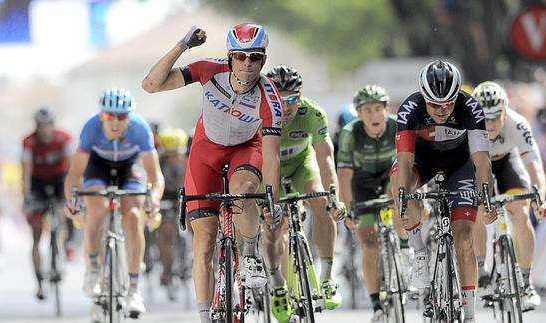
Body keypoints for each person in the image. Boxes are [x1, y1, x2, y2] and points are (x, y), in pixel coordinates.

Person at [142, 23, 282, 323]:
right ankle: (205, 315)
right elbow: (151, 85)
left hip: (246, 148)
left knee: (243, 191)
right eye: (240, 57)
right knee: (204, 240)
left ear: (263, 60)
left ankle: (249, 254)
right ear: (230, 57)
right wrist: (183, 44)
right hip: (205, 152)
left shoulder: (270, 96)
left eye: (255, 57)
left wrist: (272, 201)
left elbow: (270, 156)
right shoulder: (209, 69)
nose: (247, 64)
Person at [390, 60, 496, 323]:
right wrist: (403, 202)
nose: (441, 110)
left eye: (448, 104)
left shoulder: (470, 107)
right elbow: (404, 161)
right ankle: (420, 253)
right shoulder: (410, 109)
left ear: (456, 97)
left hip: (458, 166)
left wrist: (486, 199)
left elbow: (482, 161)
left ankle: (469, 315)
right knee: (399, 184)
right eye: (434, 104)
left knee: (464, 240)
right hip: (421, 161)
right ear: (423, 97)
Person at [64, 88, 165, 318]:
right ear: (102, 116)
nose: (116, 122)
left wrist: (154, 200)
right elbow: (74, 174)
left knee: (133, 213)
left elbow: (155, 175)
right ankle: (92, 268)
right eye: (110, 116)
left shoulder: (140, 128)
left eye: (122, 117)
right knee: (96, 207)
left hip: (129, 168)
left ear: (129, 117)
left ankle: (133, 289)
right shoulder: (91, 128)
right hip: (97, 167)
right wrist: (71, 200)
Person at [263, 65, 345, 322]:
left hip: (301, 165)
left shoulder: (313, 113)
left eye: (292, 99)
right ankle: (277, 282)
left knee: (321, 202)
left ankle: (327, 278)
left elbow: (326, 158)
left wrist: (334, 198)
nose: (286, 107)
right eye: (278, 98)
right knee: (274, 225)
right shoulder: (259, 113)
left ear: (300, 96)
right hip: (269, 168)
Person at [471, 81, 546, 310]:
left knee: (521, 213)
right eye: (485, 118)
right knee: (474, 210)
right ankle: (482, 270)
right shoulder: (467, 129)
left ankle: (526, 282)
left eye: (496, 116)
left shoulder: (518, 124)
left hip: (507, 161)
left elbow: (535, 169)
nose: (491, 123)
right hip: (477, 164)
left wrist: (540, 199)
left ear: (506, 111)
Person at [336, 85, 411, 321]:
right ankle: (376, 304)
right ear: (359, 114)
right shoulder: (350, 133)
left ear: (386, 110)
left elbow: (412, 165)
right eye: (367, 110)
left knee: (399, 200)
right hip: (362, 182)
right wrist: (349, 210)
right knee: (369, 244)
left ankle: (406, 249)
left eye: (378, 109)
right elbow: (345, 176)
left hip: (390, 173)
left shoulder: (398, 125)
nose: (373, 115)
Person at [22, 107, 74, 300]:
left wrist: (71, 193)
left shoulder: (64, 138)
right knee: (36, 235)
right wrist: (26, 197)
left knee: (66, 211)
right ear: (36, 127)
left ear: (53, 125)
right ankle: (39, 282)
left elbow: (72, 167)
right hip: (37, 183)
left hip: (60, 179)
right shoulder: (28, 141)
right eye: (40, 126)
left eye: (47, 126)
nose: (44, 130)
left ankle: (66, 241)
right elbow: (26, 171)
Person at [156, 127, 189, 300]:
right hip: (165, 197)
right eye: (169, 155)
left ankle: (190, 257)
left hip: (184, 195)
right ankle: (167, 269)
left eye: (177, 154)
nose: (174, 158)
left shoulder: (189, 159)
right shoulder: (157, 162)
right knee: (166, 231)